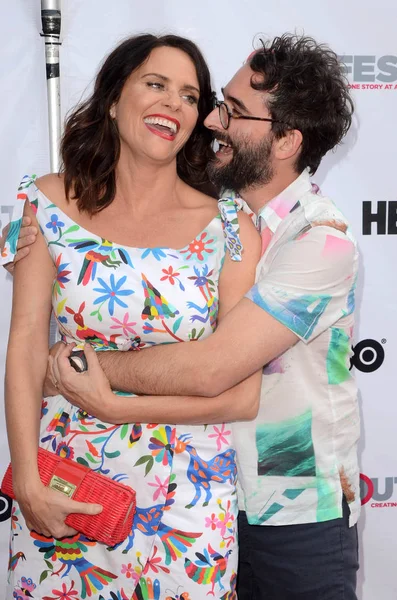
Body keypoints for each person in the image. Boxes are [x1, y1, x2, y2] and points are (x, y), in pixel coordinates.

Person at [3, 33, 360, 599]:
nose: (213, 120)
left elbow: (213, 371)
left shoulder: (320, 243)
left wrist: (77, 370)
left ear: (287, 140)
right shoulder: (227, 212)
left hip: (285, 510)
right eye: (215, 103)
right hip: (140, 487)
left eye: (231, 111)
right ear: (113, 98)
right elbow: (33, 324)